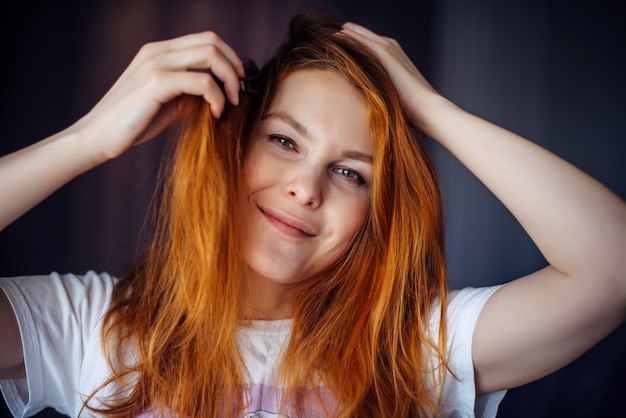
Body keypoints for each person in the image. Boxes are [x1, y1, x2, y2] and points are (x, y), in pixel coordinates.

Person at [0, 10, 624, 418]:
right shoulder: (91, 328)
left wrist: (432, 111)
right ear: (235, 146)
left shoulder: (413, 347)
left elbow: (613, 268)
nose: (306, 189)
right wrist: (87, 141)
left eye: (350, 172)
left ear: (376, 213)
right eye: (284, 141)